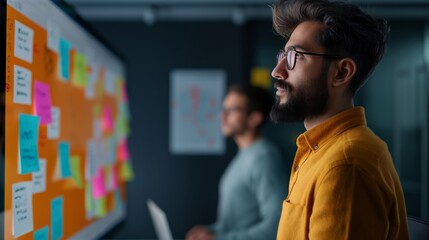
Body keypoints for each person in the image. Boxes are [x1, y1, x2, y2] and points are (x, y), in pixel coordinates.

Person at [270, 0, 409, 239]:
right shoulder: (319, 150)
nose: (278, 70)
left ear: (341, 73)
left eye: (295, 56)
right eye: (283, 54)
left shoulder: (345, 163)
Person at [185, 85, 289, 240]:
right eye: (223, 109)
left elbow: (277, 226)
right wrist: (210, 231)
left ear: (254, 118)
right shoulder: (245, 155)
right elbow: (236, 223)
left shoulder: (264, 158)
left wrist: (216, 239)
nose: (222, 116)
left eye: (231, 110)